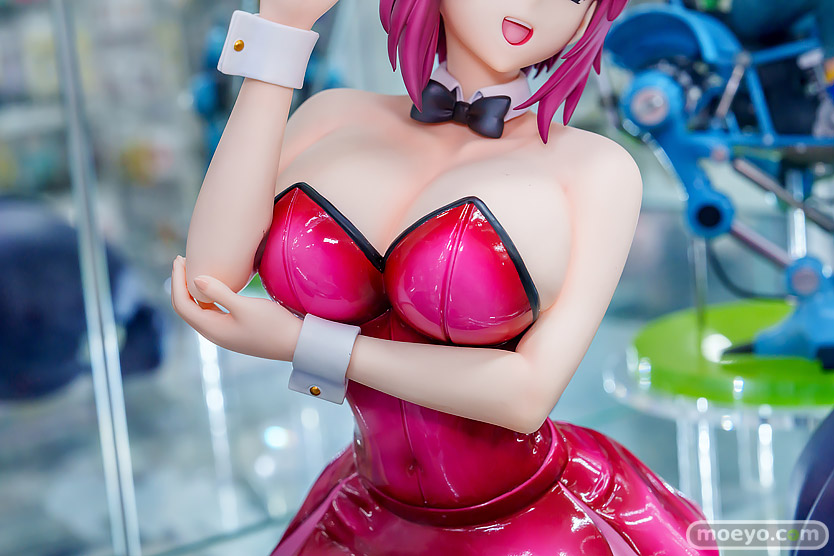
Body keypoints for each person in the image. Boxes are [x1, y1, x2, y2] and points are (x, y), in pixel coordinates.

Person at [171, 0, 715, 554]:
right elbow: (210, 280)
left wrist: (306, 345)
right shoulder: (333, 115)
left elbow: (528, 394)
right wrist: (281, 30)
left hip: (527, 521)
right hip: (365, 514)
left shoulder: (598, 170)